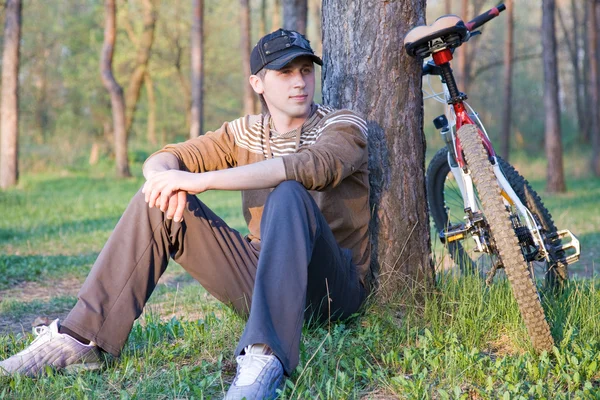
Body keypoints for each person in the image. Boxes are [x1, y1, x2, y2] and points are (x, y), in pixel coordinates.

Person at [0, 28, 370, 399]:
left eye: (306, 70)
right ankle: (81, 339)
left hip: (330, 286)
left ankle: (263, 360)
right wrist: (166, 180)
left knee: (288, 193)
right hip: (261, 278)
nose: (300, 82)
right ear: (257, 83)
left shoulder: (342, 125)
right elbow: (165, 158)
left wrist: (203, 181)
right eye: (285, 72)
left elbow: (311, 168)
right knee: (158, 198)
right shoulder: (244, 133)